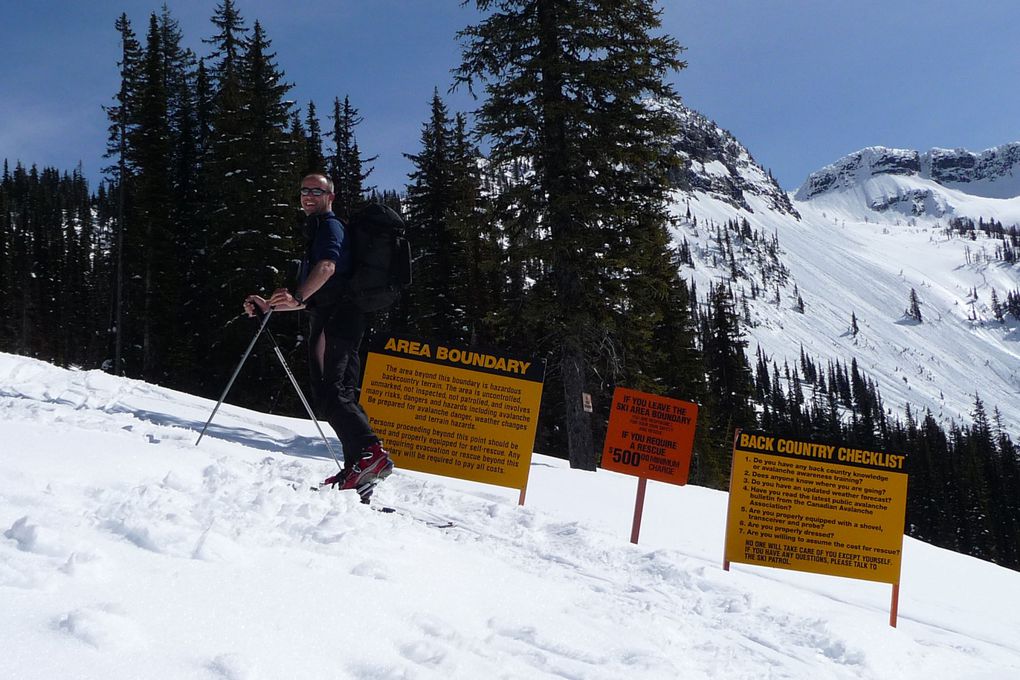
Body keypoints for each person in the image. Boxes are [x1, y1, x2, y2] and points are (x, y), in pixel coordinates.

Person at [243, 173, 393, 502]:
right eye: (304, 191)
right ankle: (358, 470)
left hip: (337, 318)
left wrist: (297, 297)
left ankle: (371, 454)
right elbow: (317, 290)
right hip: (340, 315)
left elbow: (326, 268)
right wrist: (270, 306)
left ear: (330, 197)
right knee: (342, 393)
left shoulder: (329, 226)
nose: (309, 195)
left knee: (331, 393)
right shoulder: (320, 229)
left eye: (317, 190)